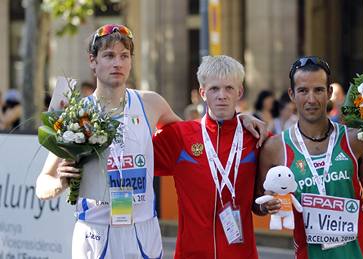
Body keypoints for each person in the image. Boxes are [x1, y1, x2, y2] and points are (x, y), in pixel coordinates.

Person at [35, 24, 266, 259]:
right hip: (96, 231)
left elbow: (197, 134)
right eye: (109, 56)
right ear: (92, 61)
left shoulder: (150, 103)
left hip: (143, 230)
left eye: (124, 56)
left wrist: (237, 120)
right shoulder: (78, 113)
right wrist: (59, 183)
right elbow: (43, 183)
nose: (118, 63)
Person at [256, 56, 363, 258]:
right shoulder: (274, 148)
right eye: (303, 91)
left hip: (360, 253)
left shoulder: (354, 140)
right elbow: (258, 205)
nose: (311, 99)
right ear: (291, 94)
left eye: (318, 90)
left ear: (330, 92)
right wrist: (266, 205)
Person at [153, 55, 268, 259]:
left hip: (242, 254)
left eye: (229, 88)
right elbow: (134, 154)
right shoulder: (179, 136)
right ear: (202, 93)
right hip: (190, 254)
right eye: (214, 89)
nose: (221, 95)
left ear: (239, 92)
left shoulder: (256, 137)